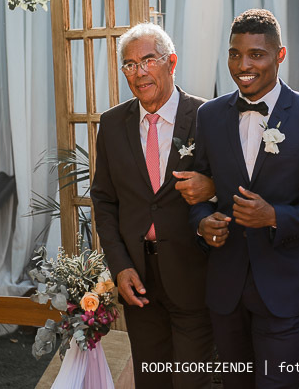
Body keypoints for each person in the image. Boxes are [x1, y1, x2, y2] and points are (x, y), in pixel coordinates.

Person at [189, 9, 299, 389]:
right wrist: (202, 222)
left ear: (280, 55)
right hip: (225, 289)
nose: (243, 65)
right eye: (235, 54)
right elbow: (200, 192)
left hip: (283, 290)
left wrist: (274, 216)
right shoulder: (209, 116)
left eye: (256, 54)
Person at [91, 23, 215, 389]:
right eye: (130, 65)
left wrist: (212, 188)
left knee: (192, 383)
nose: (139, 72)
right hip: (138, 279)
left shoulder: (207, 118)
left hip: (194, 274)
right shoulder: (112, 124)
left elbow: (232, 184)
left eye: (148, 60)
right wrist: (120, 266)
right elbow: (104, 200)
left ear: (171, 63)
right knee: (151, 380)